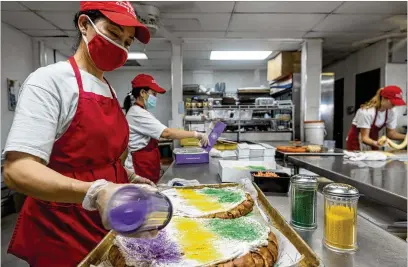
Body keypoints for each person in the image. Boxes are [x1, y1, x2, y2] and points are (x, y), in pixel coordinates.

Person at [3, 2, 157, 266]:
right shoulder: (50, 81)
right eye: (113, 33)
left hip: (107, 219)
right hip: (62, 226)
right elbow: (17, 170)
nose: (121, 46)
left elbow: (108, 155)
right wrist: (95, 193)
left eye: (127, 42)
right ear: (85, 25)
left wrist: (128, 175)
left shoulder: (108, 89)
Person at [123, 74, 209, 183]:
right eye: (153, 94)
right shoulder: (137, 113)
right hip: (139, 167)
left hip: (146, 164)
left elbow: (156, 134)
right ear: (142, 93)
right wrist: (197, 134)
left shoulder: (141, 112)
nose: (155, 98)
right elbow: (166, 133)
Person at [346, 85, 406, 151]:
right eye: (392, 102)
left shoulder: (391, 112)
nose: (395, 105)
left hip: (373, 140)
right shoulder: (366, 112)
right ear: (383, 98)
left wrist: (406, 137)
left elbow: (391, 134)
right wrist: (377, 143)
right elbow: (364, 138)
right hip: (356, 141)